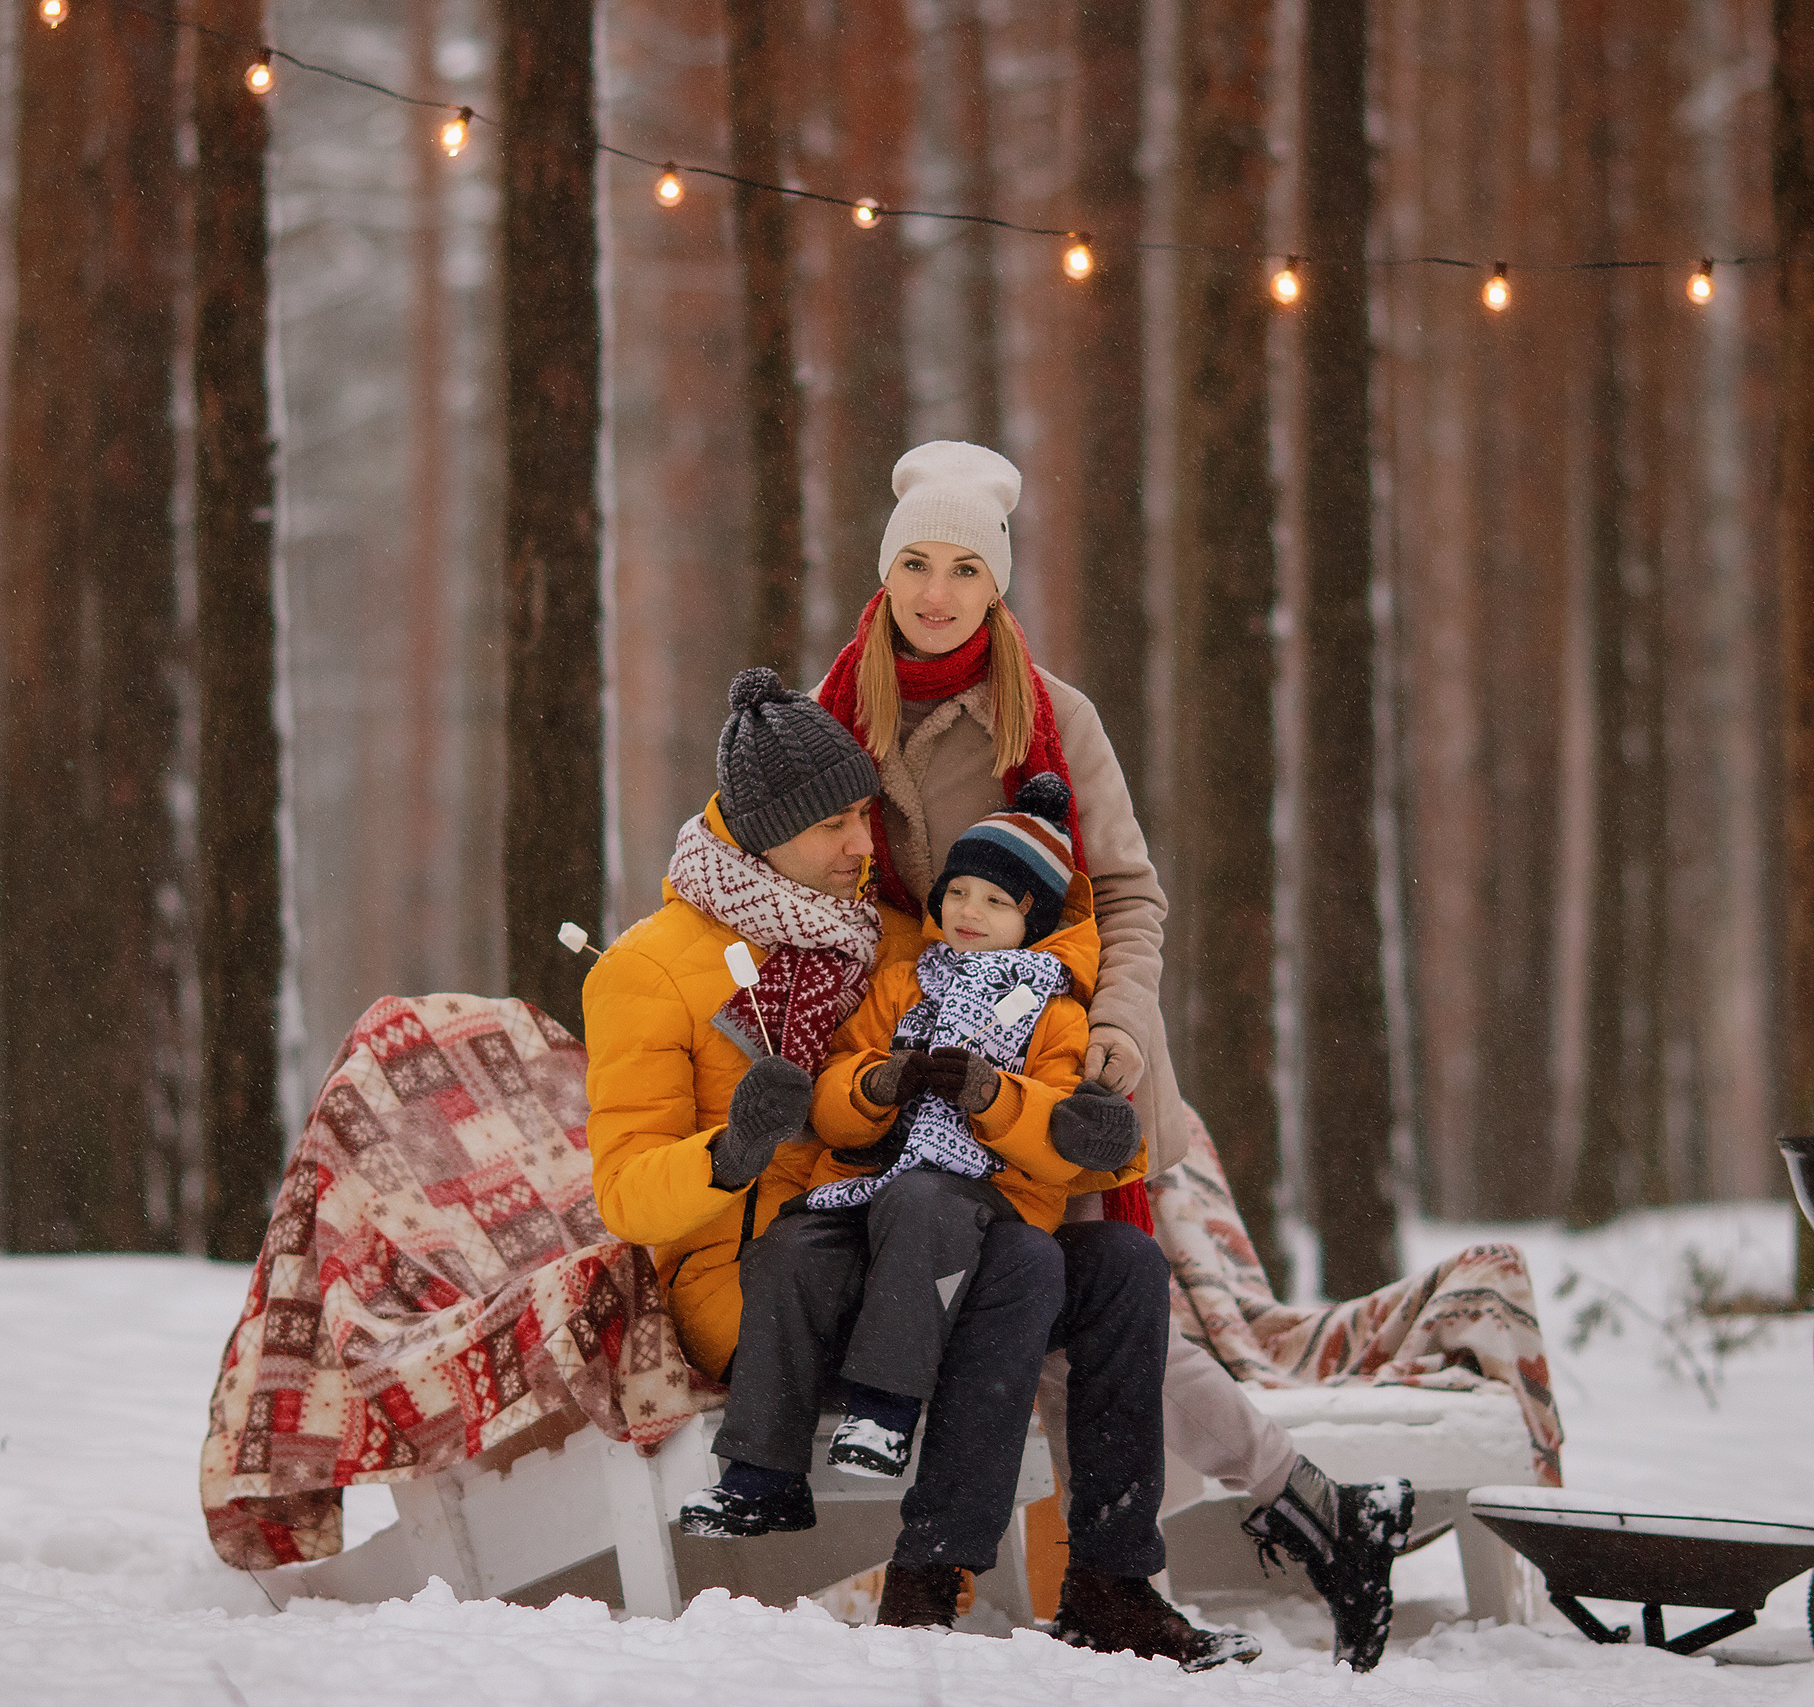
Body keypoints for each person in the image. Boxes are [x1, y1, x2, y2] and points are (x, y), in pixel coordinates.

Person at [812, 440, 1410, 1670]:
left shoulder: (1053, 718)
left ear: (996, 587)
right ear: (883, 573)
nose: (935, 593)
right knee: (1051, 1311)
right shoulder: (833, 724)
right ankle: (1299, 1514)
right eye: (914, 564)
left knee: (1107, 1302)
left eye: (963, 569)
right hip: (909, 1066)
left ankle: (1115, 1581)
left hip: (1057, 1059)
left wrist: (1121, 1034)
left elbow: (1129, 895)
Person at [585, 670, 1256, 1667]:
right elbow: (627, 1191)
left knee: (1119, 1268)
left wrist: (1088, 1074)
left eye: (865, 816)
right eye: (834, 828)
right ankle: (929, 1577)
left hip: (921, 1230)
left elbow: (1040, 943)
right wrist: (731, 1151)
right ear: (761, 832)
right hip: (778, 1277)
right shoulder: (648, 969)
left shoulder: (894, 936)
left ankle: (1112, 1582)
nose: (865, 846)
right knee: (1017, 1264)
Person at [677, 773, 1148, 1526]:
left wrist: (994, 1096)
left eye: (997, 901)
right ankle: (760, 1476)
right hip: (868, 1184)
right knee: (791, 1247)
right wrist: (877, 1084)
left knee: (923, 1198)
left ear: (1034, 918)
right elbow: (832, 1098)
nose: (969, 911)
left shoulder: (1057, 1015)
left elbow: (1061, 1143)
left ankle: (886, 1408)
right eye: (960, 891)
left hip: (982, 1197)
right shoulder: (903, 984)